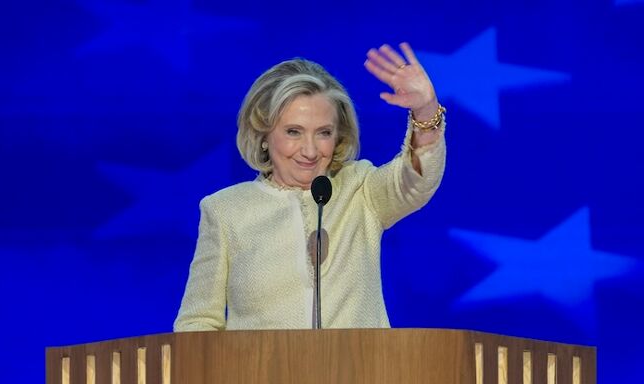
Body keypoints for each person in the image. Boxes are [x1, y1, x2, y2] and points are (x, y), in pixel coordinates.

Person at [174, 43, 446, 331]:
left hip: (361, 374)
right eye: (293, 132)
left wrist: (425, 111)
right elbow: (198, 322)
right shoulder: (225, 210)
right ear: (263, 133)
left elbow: (415, 182)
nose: (310, 150)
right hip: (255, 376)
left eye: (324, 133)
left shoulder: (360, 189)